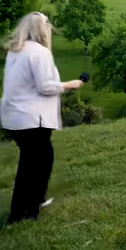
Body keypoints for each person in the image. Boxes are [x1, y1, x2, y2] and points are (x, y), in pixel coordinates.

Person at [1, 12, 84, 225]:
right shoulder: (40, 52)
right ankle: (23, 213)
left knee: (38, 159)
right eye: (47, 24)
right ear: (41, 28)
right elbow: (45, 86)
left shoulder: (15, 51)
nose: (49, 28)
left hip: (14, 117)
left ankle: (32, 203)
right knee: (34, 163)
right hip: (31, 118)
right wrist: (68, 85)